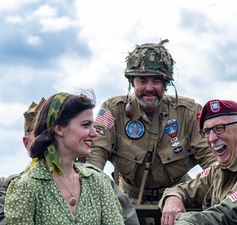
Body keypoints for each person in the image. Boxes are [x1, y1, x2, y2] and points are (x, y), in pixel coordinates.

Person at [86, 39, 216, 223]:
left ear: (166, 84)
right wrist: (95, 195)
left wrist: (189, 193)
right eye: (142, 80)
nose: (149, 88)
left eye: (156, 81)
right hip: (127, 201)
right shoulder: (113, 110)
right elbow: (95, 156)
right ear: (132, 82)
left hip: (178, 201)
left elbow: (212, 161)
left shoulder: (188, 113)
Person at [0, 97, 138, 225]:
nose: (94, 133)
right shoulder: (26, 187)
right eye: (85, 125)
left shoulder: (97, 182)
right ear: (59, 129)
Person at [159, 99, 237, 225]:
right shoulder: (217, 171)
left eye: (219, 128)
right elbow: (183, 189)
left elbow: (226, 213)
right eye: (206, 132)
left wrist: (187, 222)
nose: (211, 138)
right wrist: (172, 198)